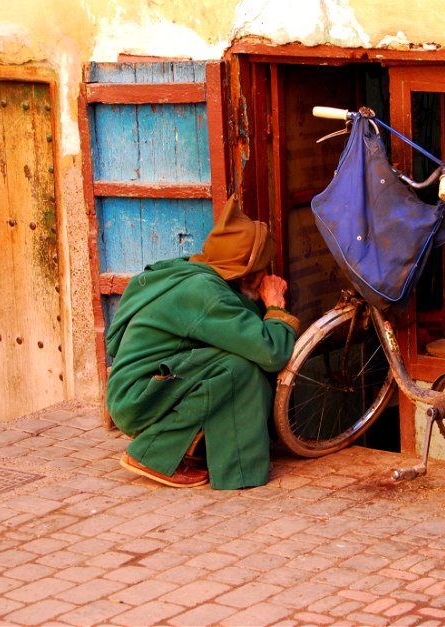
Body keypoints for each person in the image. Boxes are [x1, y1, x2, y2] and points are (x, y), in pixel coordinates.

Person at [105, 196, 300, 489]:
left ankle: (205, 450)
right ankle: (152, 455)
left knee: (235, 361)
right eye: (261, 270)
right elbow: (271, 352)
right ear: (245, 273)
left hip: (148, 386)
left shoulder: (198, 271)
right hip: (138, 398)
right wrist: (275, 307)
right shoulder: (205, 293)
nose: (265, 276)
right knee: (237, 369)